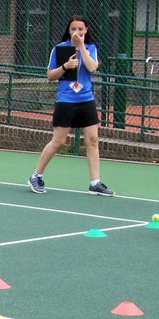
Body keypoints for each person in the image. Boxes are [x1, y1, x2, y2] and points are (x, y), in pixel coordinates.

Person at [28, 15, 113, 197]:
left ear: (86, 30)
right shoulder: (60, 49)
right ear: (69, 30)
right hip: (66, 100)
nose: (76, 32)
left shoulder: (91, 48)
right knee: (59, 141)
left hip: (86, 99)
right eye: (73, 29)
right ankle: (36, 175)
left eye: (80, 29)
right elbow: (50, 76)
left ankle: (95, 183)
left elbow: (92, 68)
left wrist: (81, 47)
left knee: (92, 140)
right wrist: (65, 66)